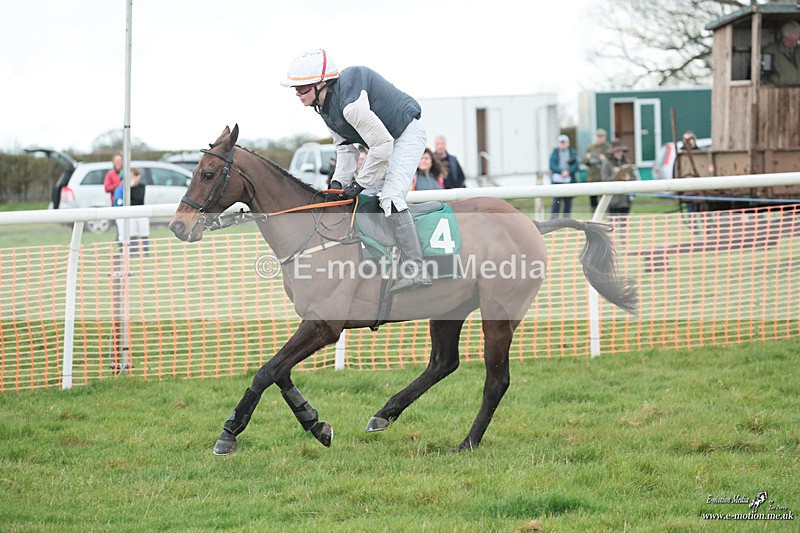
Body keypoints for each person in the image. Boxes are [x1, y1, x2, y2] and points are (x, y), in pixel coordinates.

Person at [281, 49, 431, 292]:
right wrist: (338, 185)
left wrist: (358, 184)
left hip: (406, 135)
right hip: (384, 142)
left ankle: (417, 269)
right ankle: (381, 262)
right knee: (364, 201)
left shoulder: (350, 107)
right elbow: (346, 150)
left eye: (304, 88)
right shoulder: (325, 109)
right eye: (296, 89)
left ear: (322, 84)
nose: (298, 94)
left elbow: (382, 146)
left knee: (390, 198)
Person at [600, 139, 639, 236]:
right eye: (617, 151)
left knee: (623, 226)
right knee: (611, 225)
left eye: (620, 151)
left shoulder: (627, 162)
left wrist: (629, 178)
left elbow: (634, 179)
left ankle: (624, 244)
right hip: (613, 200)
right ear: (613, 152)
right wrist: (616, 175)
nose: (619, 153)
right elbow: (604, 180)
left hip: (625, 200)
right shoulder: (607, 164)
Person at [113, 167, 149, 254]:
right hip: (121, 214)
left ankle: (141, 252)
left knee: (139, 233)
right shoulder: (120, 189)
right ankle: (125, 251)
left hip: (135, 213)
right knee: (124, 235)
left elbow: (138, 200)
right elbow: (119, 203)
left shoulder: (140, 187)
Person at [548, 134, 578, 219]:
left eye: (564, 142)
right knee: (556, 202)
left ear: (568, 143)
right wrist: (561, 171)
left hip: (568, 181)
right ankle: (553, 221)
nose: (563, 144)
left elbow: (576, 165)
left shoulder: (572, 152)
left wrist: (568, 171)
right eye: (561, 142)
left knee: (568, 203)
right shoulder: (554, 153)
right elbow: (552, 165)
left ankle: (567, 221)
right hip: (557, 182)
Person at [762, 21, 800, 86]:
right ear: (783, 38)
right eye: (790, 40)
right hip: (778, 92)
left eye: (796, 40)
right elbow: (764, 77)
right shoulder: (768, 52)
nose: (794, 44)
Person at [583, 128, 610, 210]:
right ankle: (593, 217)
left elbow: (610, 162)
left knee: (603, 200)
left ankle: (604, 216)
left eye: (601, 137)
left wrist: (604, 159)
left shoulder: (608, 147)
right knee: (593, 200)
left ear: (605, 137)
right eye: (598, 136)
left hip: (603, 177)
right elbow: (585, 161)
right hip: (592, 177)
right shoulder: (591, 147)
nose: (599, 138)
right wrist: (587, 158)